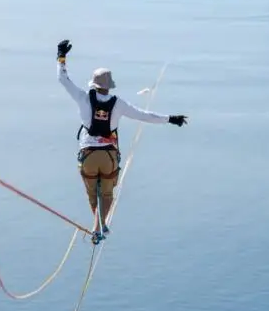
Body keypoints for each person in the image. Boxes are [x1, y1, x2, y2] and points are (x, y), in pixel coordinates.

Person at [56, 39, 187, 245]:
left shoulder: (82, 98)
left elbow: (63, 80)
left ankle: (98, 226)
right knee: (106, 194)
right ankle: (100, 227)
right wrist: (171, 118)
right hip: (108, 156)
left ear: (93, 84)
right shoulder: (119, 105)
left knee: (93, 193)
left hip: (88, 155)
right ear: (109, 87)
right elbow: (145, 116)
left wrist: (61, 57)